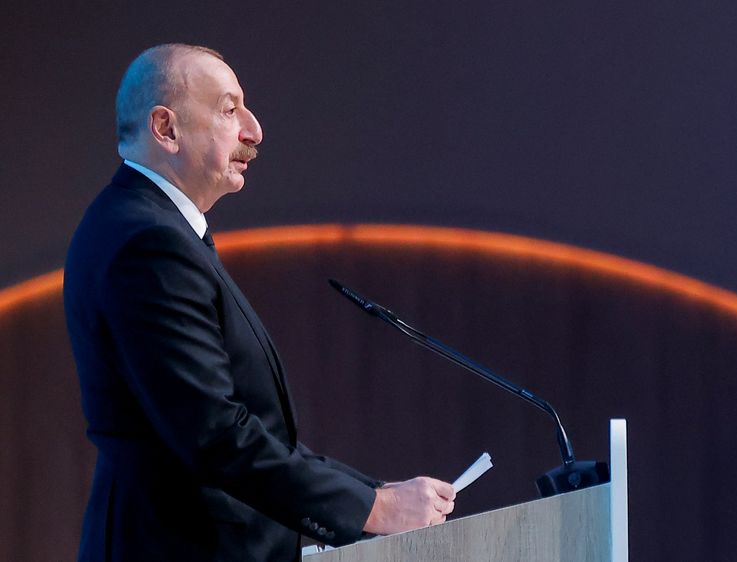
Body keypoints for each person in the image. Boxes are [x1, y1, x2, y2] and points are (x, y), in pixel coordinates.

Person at [64, 43, 455, 562]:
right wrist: (375, 509)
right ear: (166, 129)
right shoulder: (148, 243)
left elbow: (257, 431)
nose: (253, 130)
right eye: (229, 109)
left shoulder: (151, 227)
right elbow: (215, 434)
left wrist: (374, 493)